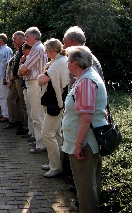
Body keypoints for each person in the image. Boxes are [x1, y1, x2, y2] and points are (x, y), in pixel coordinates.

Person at [62, 46, 107, 213]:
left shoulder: (87, 81)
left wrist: (78, 144)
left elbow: (86, 117)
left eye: (68, 60)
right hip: (86, 140)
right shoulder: (85, 78)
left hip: (86, 142)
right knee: (88, 185)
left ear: (74, 63)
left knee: (85, 187)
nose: (66, 63)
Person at [37, 38, 69, 178]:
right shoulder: (59, 61)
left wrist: (41, 77)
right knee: (56, 134)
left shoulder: (57, 63)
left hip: (55, 103)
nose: (46, 53)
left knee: (47, 134)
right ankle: (58, 163)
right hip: (54, 101)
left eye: (47, 50)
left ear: (51, 50)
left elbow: (42, 79)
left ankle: (56, 167)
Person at [19, 27, 48, 153]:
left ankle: (41, 144)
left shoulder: (37, 49)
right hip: (34, 82)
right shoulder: (36, 49)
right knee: (36, 113)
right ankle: (39, 140)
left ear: (34, 37)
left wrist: (23, 68)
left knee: (37, 114)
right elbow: (24, 69)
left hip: (35, 83)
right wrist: (23, 68)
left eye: (27, 36)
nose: (25, 39)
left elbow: (24, 68)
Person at [10, 31, 28, 135]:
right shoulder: (19, 50)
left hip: (21, 78)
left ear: (21, 38)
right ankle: (20, 122)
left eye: (15, 39)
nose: (13, 41)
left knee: (24, 103)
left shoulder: (25, 49)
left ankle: (25, 126)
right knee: (19, 102)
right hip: (16, 78)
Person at [0, 33, 13, 123]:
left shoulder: (7, 50)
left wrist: (6, 77)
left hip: (3, 77)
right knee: (1, 96)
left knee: (4, 96)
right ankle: (3, 113)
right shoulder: (0, 50)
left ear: (1, 40)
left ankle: (7, 115)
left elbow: (8, 64)